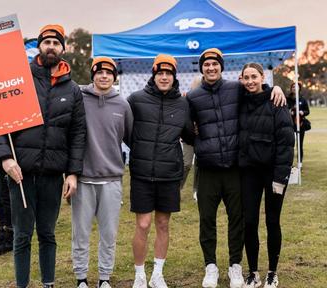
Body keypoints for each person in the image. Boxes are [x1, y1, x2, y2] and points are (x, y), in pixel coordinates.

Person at [0, 24, 86, 288]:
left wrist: (74, 173)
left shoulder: (73, 89)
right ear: (39, 47)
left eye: (56, 43)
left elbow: (78, 134)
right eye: (47, 42)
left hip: (53, 174)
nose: (51, 47)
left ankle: (48, 283)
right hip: (20, 172)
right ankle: (22, 284)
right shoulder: (19, 79)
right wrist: (5, 158)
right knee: (22, 235)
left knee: (47, 233)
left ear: (63, 49)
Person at [186, 48, 286, 288]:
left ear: (221, 67)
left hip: (233, 168)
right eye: (206, 65)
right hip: (208, 169)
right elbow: (185, 126)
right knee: (207, 220)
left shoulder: (236, 88)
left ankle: (236, 267)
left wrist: (276, 88)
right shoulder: (192, 97)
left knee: (238, 220)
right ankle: (210, 266)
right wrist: (195, 136)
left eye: (215, 64)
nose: (211, 68)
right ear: (202, 68)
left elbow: (258, 90)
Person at [128, 54, 194, 288]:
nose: (164, 77)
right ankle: (139, 275)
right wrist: (140, 150)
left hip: (169, 174)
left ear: (174, 77)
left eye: (169, 74)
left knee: (163, 224)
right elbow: (127, 132)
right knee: (143, 224)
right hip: (142, 173)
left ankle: (157, 274)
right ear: (154, 74)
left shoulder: (183, 103)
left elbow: (189, 134)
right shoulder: (136, 99)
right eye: (160, 73)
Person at [70, 57, 133, 288]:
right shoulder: (80, 99)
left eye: (109, 73)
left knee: (109, 235)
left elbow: (131, 137)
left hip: (112, 180)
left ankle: (104, 278)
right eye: (100, 72)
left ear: (114, 77)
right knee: (81, 234)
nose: (104, 76)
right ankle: (81, 278)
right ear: (93, 75)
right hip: (83, 179)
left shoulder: (122, 105)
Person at [238, 63, 294, 288]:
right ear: (242, 80)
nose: (250, 81)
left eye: (254, 76)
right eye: (246, 77)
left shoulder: (276, 101)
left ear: (262, 77)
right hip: (249, 172)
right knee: (249, 222)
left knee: (272, 221)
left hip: (273, 173)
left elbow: (286, 143)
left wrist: (280, 178)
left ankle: (272, 271)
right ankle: (253, 272)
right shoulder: (240, 101)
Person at [287, 81, 310, 164]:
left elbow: (307, 111)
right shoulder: (287, 99)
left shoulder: (302, 99)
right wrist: (290, 111)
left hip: (300, 124)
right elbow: (284, 109)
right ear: (291, 88)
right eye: (293, 87)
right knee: (290, 145)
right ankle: (289, 163)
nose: (294, 88)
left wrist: (302, 112)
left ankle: (300, 163)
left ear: (299, 88)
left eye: (296, 87)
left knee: (299, 145)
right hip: (289, 125)